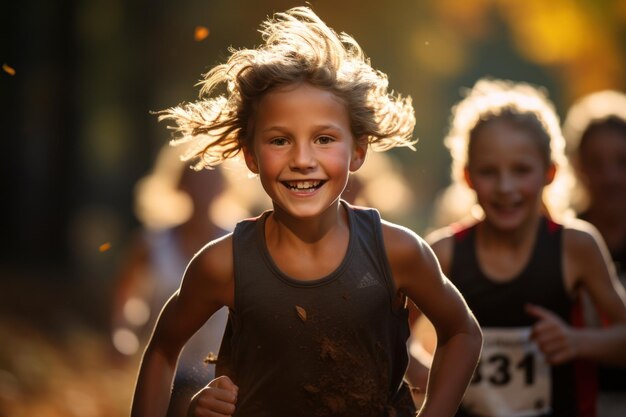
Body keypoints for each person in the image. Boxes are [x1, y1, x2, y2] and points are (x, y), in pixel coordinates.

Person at [130, 6, 482, 417]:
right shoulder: (222, 264)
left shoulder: (398, 251)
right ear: (250, 156)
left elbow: (462, 332)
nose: (302, 159)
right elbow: (161, 352)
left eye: (324, 139)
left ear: (358, 151)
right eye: (279, 140)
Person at [423, 78, 626, 417]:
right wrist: (430, 379)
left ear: (550, 172)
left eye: (521, 170)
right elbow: (392, 339)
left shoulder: (576, 245)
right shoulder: (443, 253)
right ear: (467, 176)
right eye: (489, 172)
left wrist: (576, 342)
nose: (506, 187)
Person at [112, 144, 230, 417]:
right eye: (196, 179)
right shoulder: (151, 244)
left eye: (211, 179)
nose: (204, 188)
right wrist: (121, 335)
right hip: (162, 365)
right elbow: (124, 294)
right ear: (180, 184)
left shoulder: (238, 245)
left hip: (220, 373)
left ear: (223, 186)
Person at [562, 90, 626, 417]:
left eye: (621, 162)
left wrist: (578, 342)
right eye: (596, 163)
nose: (610, 177)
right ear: (578, 167)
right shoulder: (562, 240)